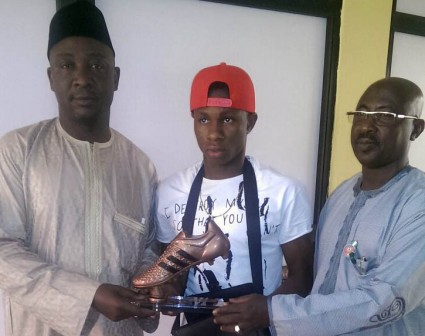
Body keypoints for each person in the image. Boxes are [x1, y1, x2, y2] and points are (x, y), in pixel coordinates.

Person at [213, 77, 425, 335]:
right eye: (361, 114)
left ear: (416, 128)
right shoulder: (342, 194)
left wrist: (270, 311)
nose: (367, 126)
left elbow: (384, 298)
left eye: (384, 116)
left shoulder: (417, 204)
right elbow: (324, 271)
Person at [0, 2, 160, 335]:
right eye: (67, 65)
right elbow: (3, 251)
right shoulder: (17, 151)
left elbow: (146, 249)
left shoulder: (139, 167)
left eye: (97, 65)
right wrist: (91, 295)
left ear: (115, 77)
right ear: (51, 77)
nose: (82, 78)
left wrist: (152, 283)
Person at [146, 62, 314, 334]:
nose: (214, 133)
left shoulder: (284, 192)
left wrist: (266, 310)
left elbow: (304, 278)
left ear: (250, 122)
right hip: (195, 330)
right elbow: (174, 277)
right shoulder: (169, 192)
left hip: (261, 330)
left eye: (227, 119)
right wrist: (164, 292)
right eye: (203, 119)